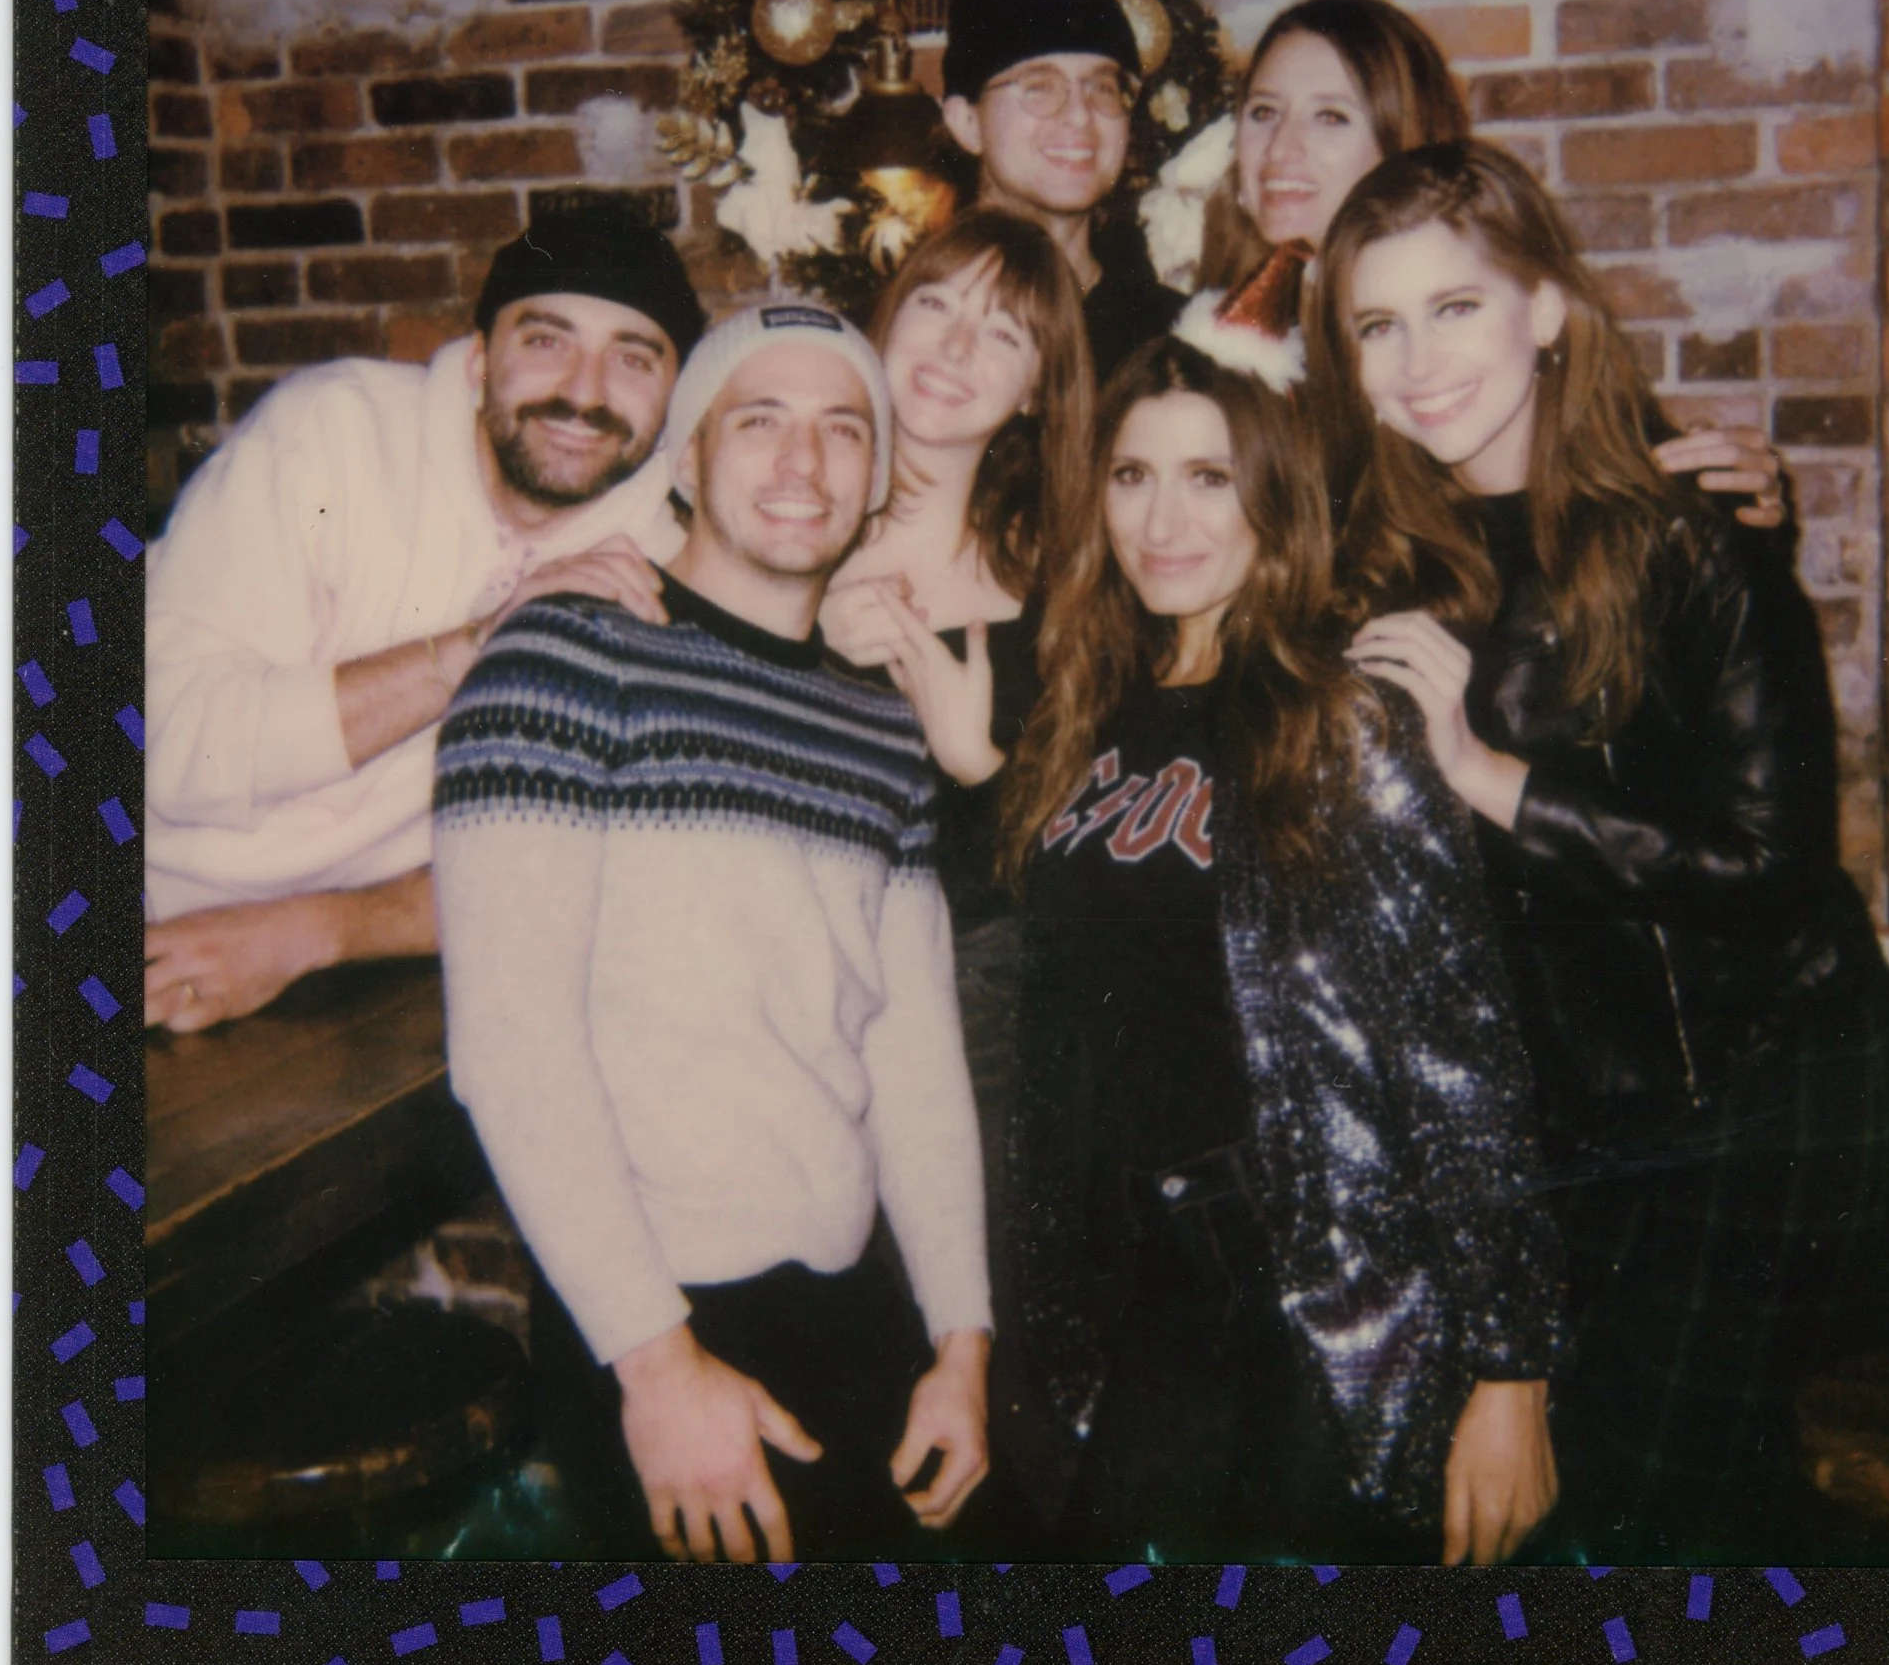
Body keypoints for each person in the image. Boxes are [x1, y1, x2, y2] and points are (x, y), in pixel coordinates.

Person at [1311, 140, 1889, 1564]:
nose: (1418, 362)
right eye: (1378, 325)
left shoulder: (1688, 530)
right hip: (1580, 1115)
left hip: (1763, 1085)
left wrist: (1488, 775)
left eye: (1455, 307)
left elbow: (1769, 868)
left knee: (1655, 1507)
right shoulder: (1377, 560)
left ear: (1545, 309)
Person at [432, 303, 992, 1565]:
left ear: (876, 478)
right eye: (760, 421)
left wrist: (961, 1342)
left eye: (843, 428)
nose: (803, 462)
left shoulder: (880, 726)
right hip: (651, 1322)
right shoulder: (560, 659)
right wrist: (658, 1366)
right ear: (687, 456)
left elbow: (914, 1057)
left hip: (851, 1305)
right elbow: (512, 1050)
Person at [998, 329, 1568, 1566]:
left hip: (1305, 1277)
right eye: (1133, 475)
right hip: (1132, 1270)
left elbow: (1456, 1044)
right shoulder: (1082, 707)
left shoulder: (1336, 712)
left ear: (1274, 495)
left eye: (1209, 477)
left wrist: (1511, 1371)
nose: (1163, 520)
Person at [142, 212, 705, 1033]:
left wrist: (308, 933)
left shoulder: (662, 568)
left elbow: (592, 869)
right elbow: (176, 749)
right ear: (479, 362)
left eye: (633, 358)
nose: (585, 391)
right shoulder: (334, 433)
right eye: (546, 340)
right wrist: (480, 644)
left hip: (338, 966)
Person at [816, 207, 1094, 1526]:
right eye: (935, 303)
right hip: (797, 1014)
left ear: (1038, 388)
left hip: (992, 1030)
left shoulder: (1066, 568)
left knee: (990, 1387)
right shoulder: (785, 509)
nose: (954, 347)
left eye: (1005, 333)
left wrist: (980, 764)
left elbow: (1109, 862)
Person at [1192, 0, 1786, 530]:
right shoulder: (1201, 326)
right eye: (1263, 112)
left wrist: (1727, 496)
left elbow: (1608, 469)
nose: (1281, 149)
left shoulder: (1469, 342)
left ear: (1402, 142)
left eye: (1331, 116)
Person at [941, 0, 1184, 379]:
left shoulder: (1175, 340)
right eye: (1039, 87)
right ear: (967, 123)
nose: (1079, 115)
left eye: (1102, 88)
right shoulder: (916, 334)